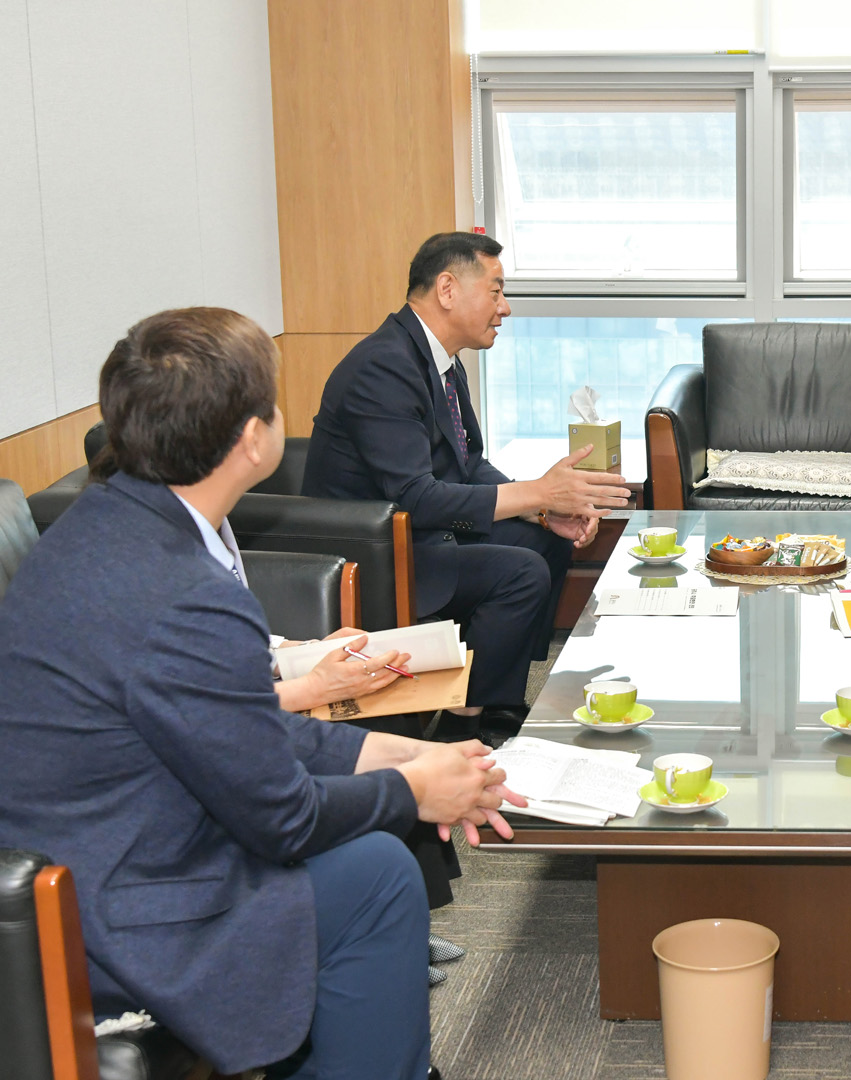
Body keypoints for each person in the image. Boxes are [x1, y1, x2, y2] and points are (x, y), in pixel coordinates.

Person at [0, 307, 524, 1078]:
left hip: (91, 848)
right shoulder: (185, 593)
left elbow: (238, 727)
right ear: (253, 439)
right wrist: (414, 789)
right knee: (377, 876)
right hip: (112, 912)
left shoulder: (101, 527)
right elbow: (283, 818)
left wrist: (402, 754)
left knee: (367, 854)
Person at [302, 231, 632, 741]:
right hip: (378, 554)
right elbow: (416, 496)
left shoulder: (439, 359)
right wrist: (539, 493)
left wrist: (541, 511)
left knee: (545, 541)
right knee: (520, 572)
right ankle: (460, 727)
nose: (505, 308)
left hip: (419, 534)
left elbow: (468, 464)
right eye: (496, 291)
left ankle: (498, 700)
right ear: (448, 289)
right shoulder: (383, 367)